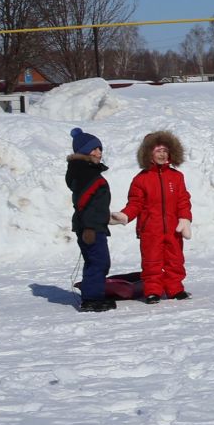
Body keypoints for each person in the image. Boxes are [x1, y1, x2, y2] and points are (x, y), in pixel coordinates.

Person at [113, 131, 193, 303]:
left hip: (173, 229)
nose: (162, 154)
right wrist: (125, 216)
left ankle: (175, 289)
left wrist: (185, 219)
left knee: (175, 260)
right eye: (158, 151)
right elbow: (135, 203)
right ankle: (152, 291)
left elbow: (183, 201)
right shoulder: (141, 180)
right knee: (152, 262)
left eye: (165, 151)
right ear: (149, 153)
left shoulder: (176, 177)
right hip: (150, 229)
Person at [66, 128, 129, 312]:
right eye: (93, 149)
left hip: (92, 226)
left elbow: (93, 205)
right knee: (99, 262)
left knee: (95, 261)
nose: (98, 153)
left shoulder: (84, 172)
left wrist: (107, 219)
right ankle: (92, 299)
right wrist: (89, 227)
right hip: (91, 229)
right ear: (83, 152)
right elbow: (84, 203)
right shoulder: (87, 174)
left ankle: (92, 295)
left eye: (99, 149)